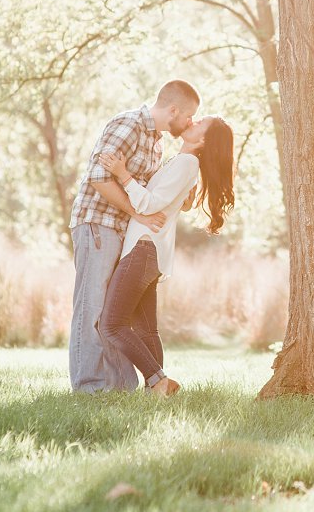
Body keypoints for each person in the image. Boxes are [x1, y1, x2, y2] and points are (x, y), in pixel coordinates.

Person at [67, 80, 200, 393]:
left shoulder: (157, 141)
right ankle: (89, 385)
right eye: (189, 115)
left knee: (111, 310)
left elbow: (151, 193)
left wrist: (183, 194)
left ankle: (119, 385)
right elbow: (99, 178)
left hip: (122, 230)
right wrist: (137, 213)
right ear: (173, 110)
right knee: (91, 306)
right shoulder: (128, 125)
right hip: (98, 223)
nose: (189, 122)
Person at [97, 114, 235, 396]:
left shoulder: (186, 164)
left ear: (203, 140)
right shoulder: (184, 164)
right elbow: (170, 202)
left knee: (112, 324)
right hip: (151, 252)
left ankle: (158, 379)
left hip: (143, 248)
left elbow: (149, 205)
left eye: (199, 124)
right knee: (147, 330)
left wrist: (123, 175)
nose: (191, 121)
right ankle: (156, 390)